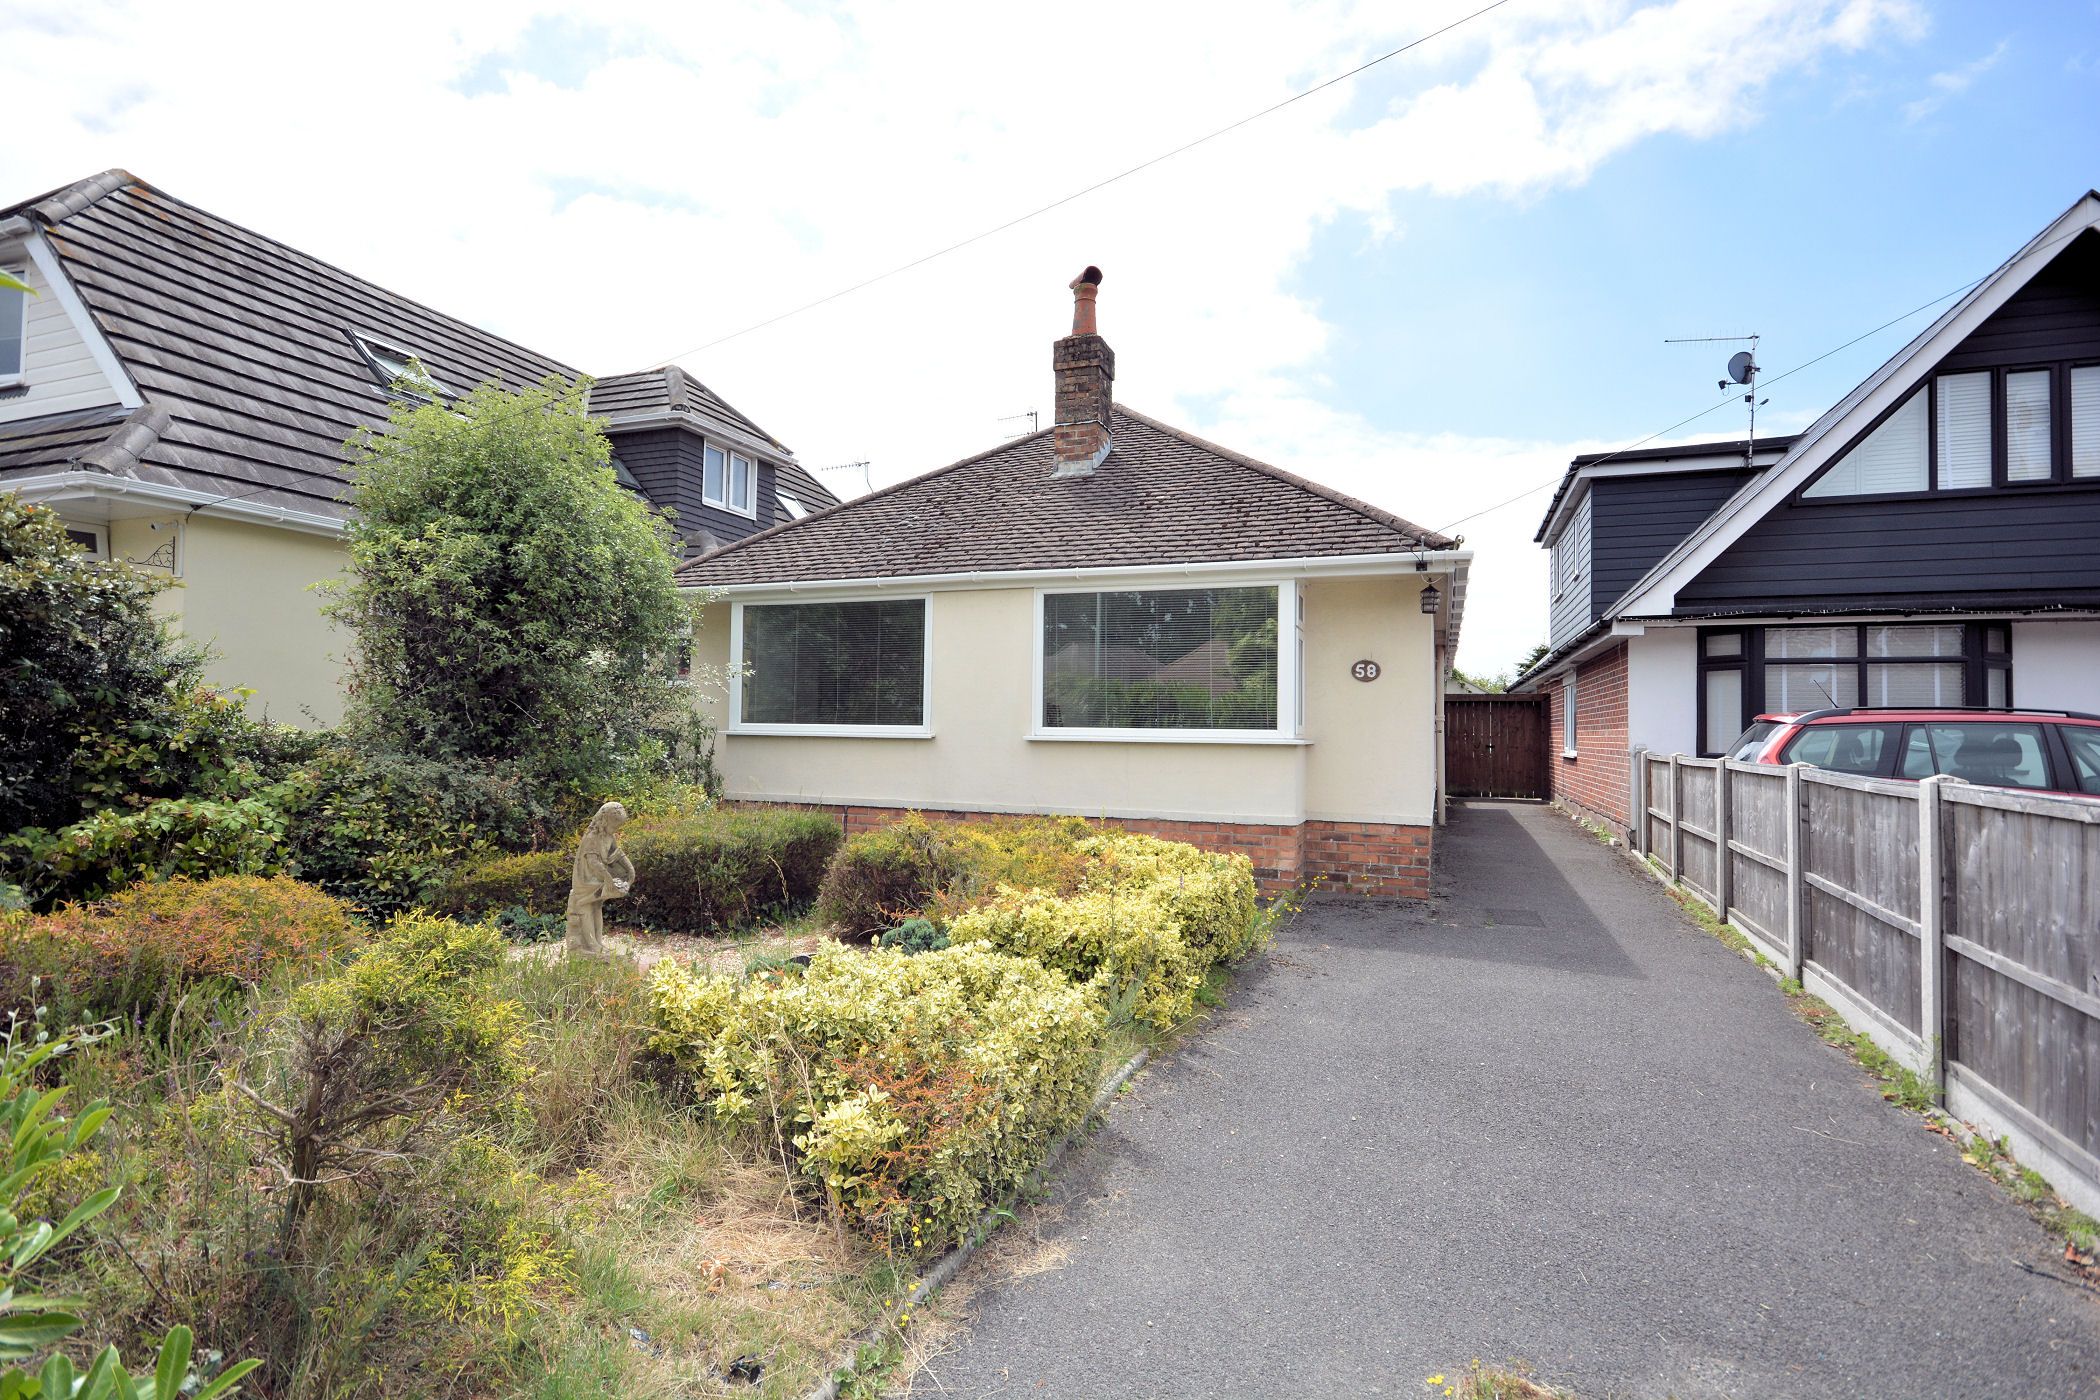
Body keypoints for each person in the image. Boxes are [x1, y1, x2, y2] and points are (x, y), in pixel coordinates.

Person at [565, 801, 635, 957]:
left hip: (598, 877)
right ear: (605, 821)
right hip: (585, 880)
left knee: (597, 906)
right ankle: (590, 945)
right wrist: (608, 878)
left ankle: (597, 943)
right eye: (615, 825)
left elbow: (616, 853)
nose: (616, 829)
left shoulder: (608, 836)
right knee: (586, 905)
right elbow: (593, 861)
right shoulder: (592, 837)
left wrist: (630, 869)